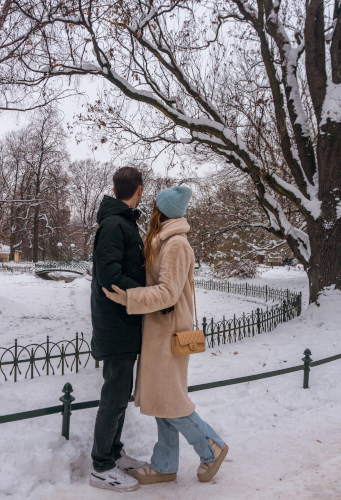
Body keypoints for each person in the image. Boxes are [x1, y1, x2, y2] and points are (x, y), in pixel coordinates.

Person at [104, 185, 228, 485]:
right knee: (164, 399)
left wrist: (129, 298)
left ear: (162, 211)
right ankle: (165, 464)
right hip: (160, 330)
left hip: (168, 333)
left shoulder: (175, 245)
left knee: (171, 400)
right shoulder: (165, 241)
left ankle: (210, 445)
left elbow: (168, 293)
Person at [90, 166, 147, 492]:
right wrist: (148, 298)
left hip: (123, 323)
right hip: (116, 324)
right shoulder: (114, 225)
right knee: (114, 396)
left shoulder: (122, 223)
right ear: (138, 189)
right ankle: (101, 466)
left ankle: (114, 452)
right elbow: (109, 276)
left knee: (120, 395)